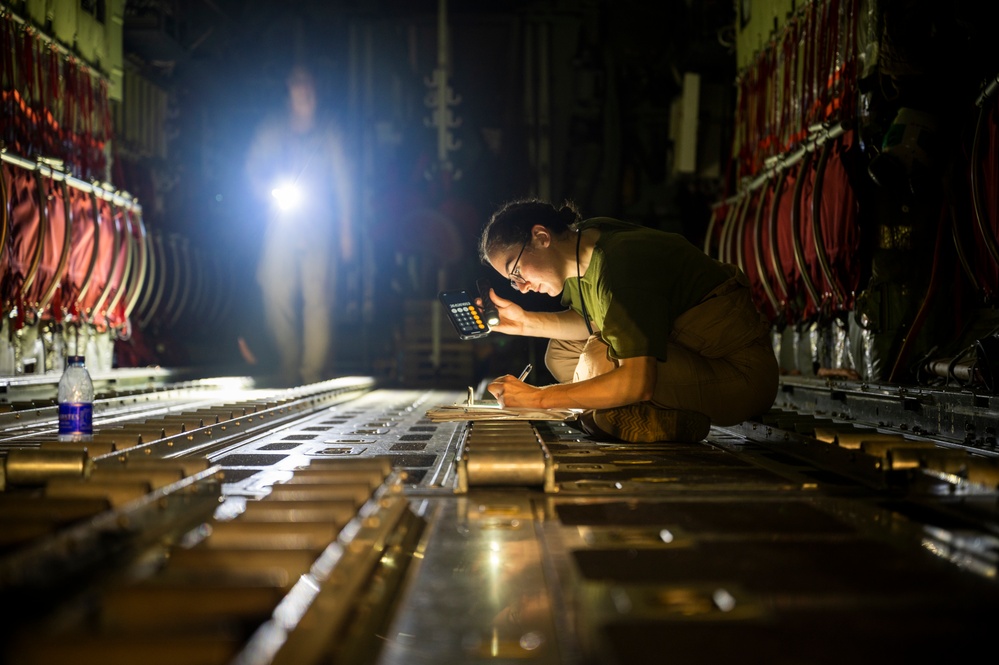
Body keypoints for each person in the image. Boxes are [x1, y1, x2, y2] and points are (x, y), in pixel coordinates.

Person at [479, 198, 779, 443]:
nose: (521, 286)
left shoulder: (620, 266)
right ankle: (644, 414)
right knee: (561, 353)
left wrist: (537, 398)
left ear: (541, 237)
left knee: (598, 360)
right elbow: (595, 320)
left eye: (516, 271)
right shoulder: (582, 246)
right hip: (689, 355)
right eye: (512, 281)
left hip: (739, 374)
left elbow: (637, 381)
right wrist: (523, 323)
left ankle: (634, 414)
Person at [245, 65, 353, 386]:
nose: (304, 91)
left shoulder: (329, 130)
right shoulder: (273, 129)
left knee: (318, 298)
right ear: (289, 90)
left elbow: (344, 181)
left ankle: (311, 374)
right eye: (298, 85)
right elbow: (252, 168)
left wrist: (347, 229)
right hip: (282, 218)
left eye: (309, 85)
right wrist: (266, 191)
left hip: (319, 222)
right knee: (274, 287)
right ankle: (290, 364)